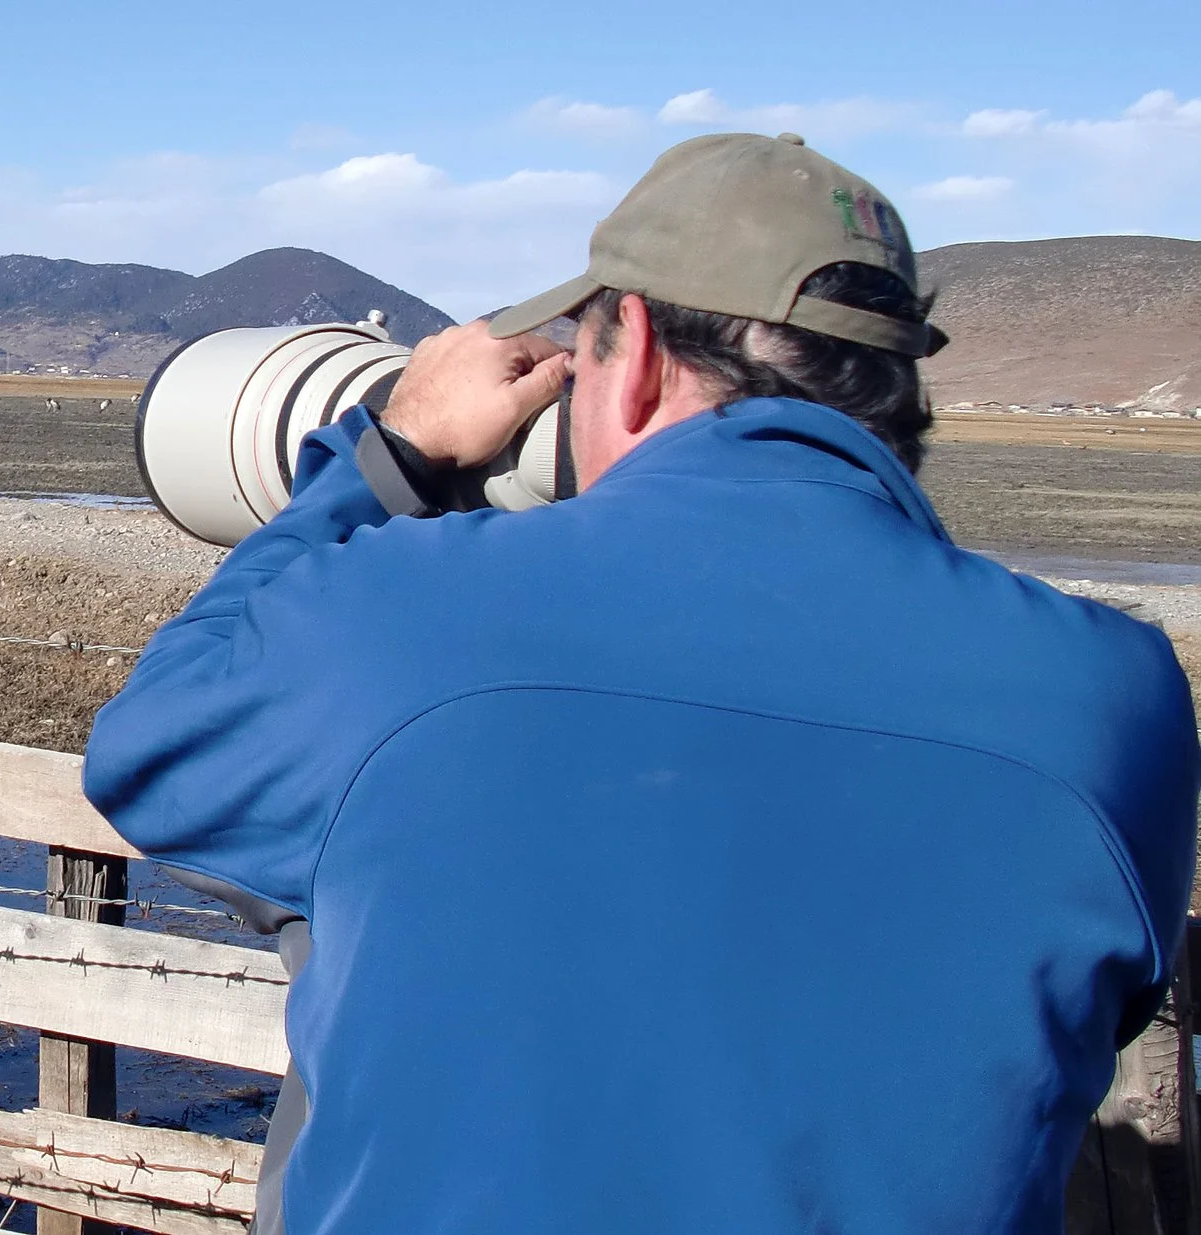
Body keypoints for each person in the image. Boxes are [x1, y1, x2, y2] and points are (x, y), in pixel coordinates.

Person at [82, 132, 1200, 1234]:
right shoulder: (1113, 692)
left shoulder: (401, 611)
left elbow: (151, 748)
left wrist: (390, 454)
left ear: (645, 352)